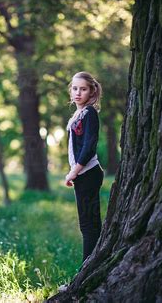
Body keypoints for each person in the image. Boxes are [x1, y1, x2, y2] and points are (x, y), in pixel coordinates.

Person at [64, 71, 104, 264]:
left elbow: (89, 146)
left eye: (83, 89)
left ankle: (86, 270)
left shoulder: (89, 113)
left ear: (91, 92)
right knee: (90, 225)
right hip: (83, 175)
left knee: (89, 227)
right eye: (75, 88)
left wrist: (74, 172)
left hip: (88, 174)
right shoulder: (78, 114)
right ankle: (94, 265)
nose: (78, 92)